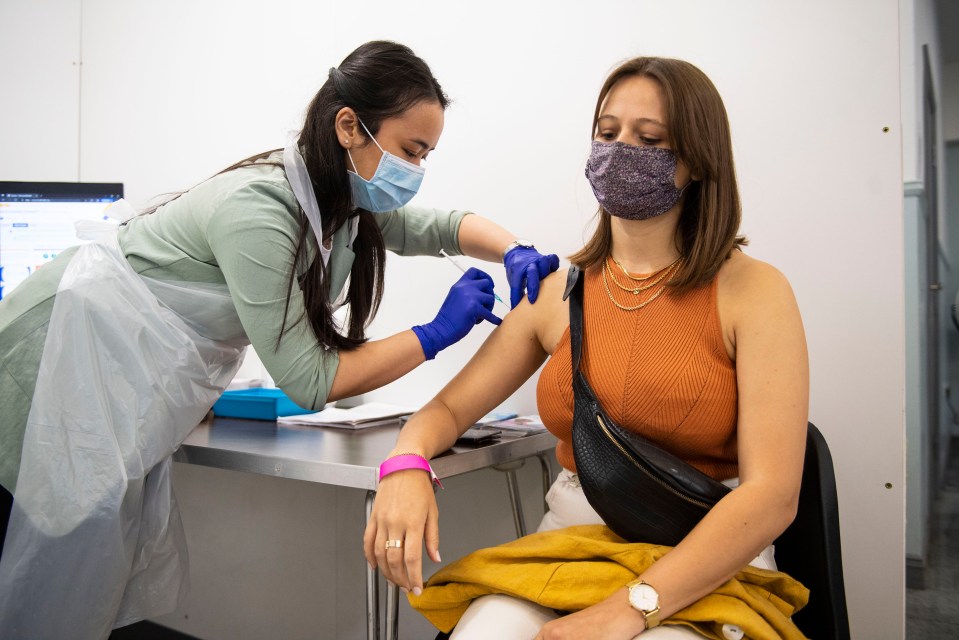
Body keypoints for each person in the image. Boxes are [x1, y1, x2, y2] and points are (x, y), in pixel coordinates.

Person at [0, 40, 558, 638]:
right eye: (409, 151)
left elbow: (432, 226)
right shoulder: (261, 210)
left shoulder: (334, 199)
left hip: (110, 365)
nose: (415, 173)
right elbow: (310, 380)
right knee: (41, 547)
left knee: (82, 567)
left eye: (426, 157)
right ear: (350, 126)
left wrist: (512, 248)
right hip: (53, 354)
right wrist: (435, 333)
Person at [364, 55, 809, 639]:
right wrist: (405, 466)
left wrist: (629, 610)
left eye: (649, 139)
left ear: (698, 160)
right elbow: (445, 412)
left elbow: (772, 496)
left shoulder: (755, 292)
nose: (621, 149)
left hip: (708, 562)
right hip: (570, 549)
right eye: (607, 133)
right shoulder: (555, 290)